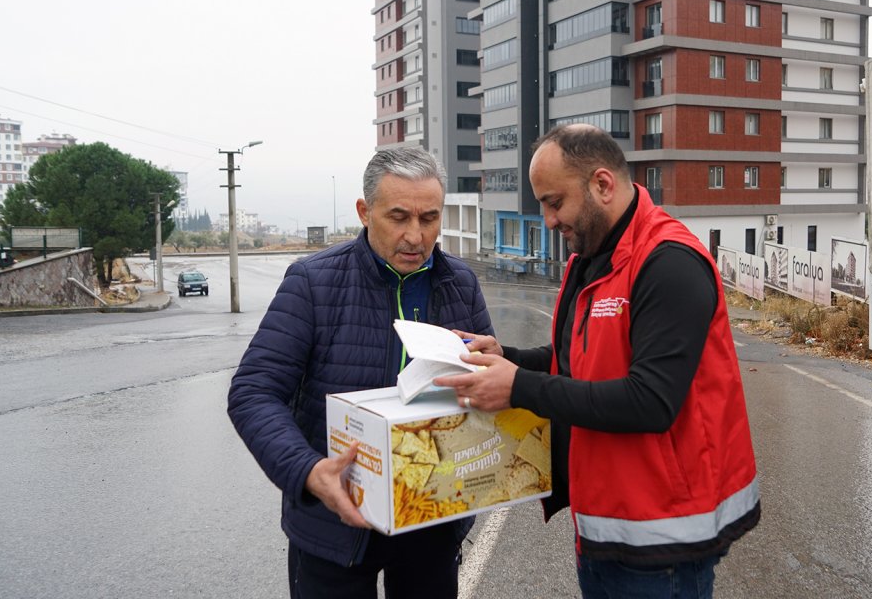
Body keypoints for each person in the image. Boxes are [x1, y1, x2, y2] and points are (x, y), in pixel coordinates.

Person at [436, 124, 760, 599]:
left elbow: (650, 401)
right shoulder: (591, 260)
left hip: (664, 538)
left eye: (554, 202)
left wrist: (519, 386)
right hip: (606, 526)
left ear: (602, 185)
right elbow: (576, 362)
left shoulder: (669, 263)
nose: (548, 220)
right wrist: (509, 359)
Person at [228, 146, 494, 599]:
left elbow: (488, 384)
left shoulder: (459, 282)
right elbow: (254, 392)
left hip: (431, 514)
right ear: (365, 211)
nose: (415, 235)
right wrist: (308, 472)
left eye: (429, 218)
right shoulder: (313, 282)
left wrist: (494, 364)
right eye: (398, 217)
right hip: (336, 522)